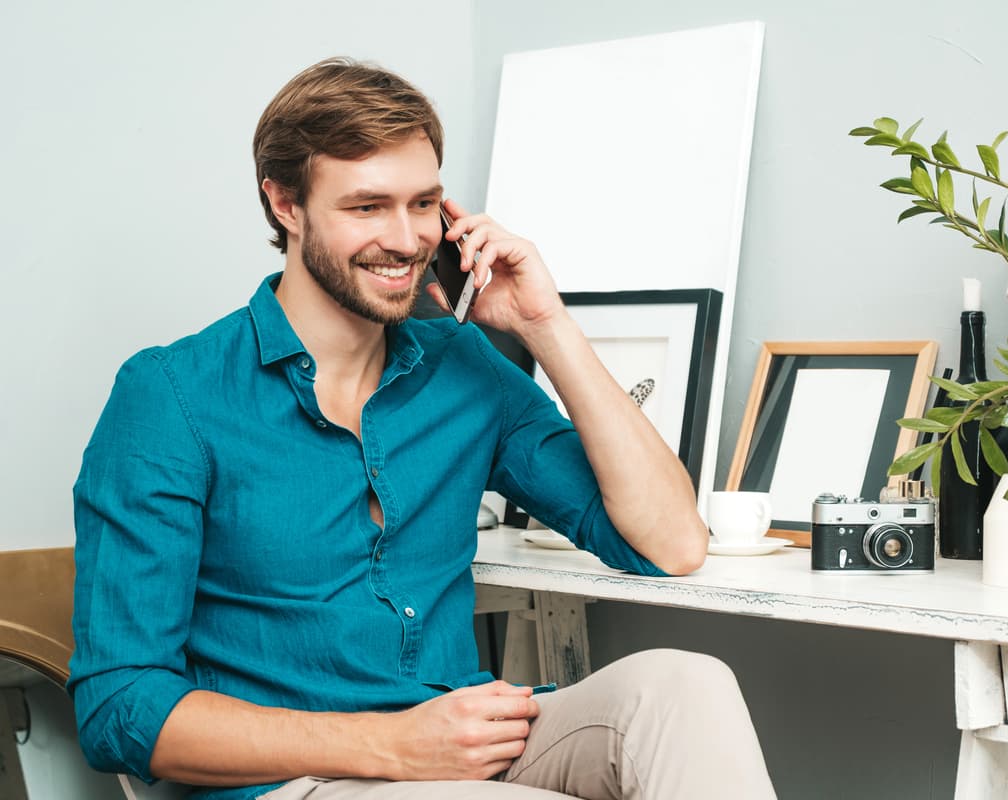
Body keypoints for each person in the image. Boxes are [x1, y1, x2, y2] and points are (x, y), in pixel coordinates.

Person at [69, 57, 776, 800]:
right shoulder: (171, 395)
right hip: (292, 781)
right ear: (284, 203)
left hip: (459, 744)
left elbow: (669, 545)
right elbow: (119, 707)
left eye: (424, 204)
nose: (407, 239)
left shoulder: (459, 366)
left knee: (686, 687)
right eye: (368, 207)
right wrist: (393, 746)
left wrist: (545, 324)